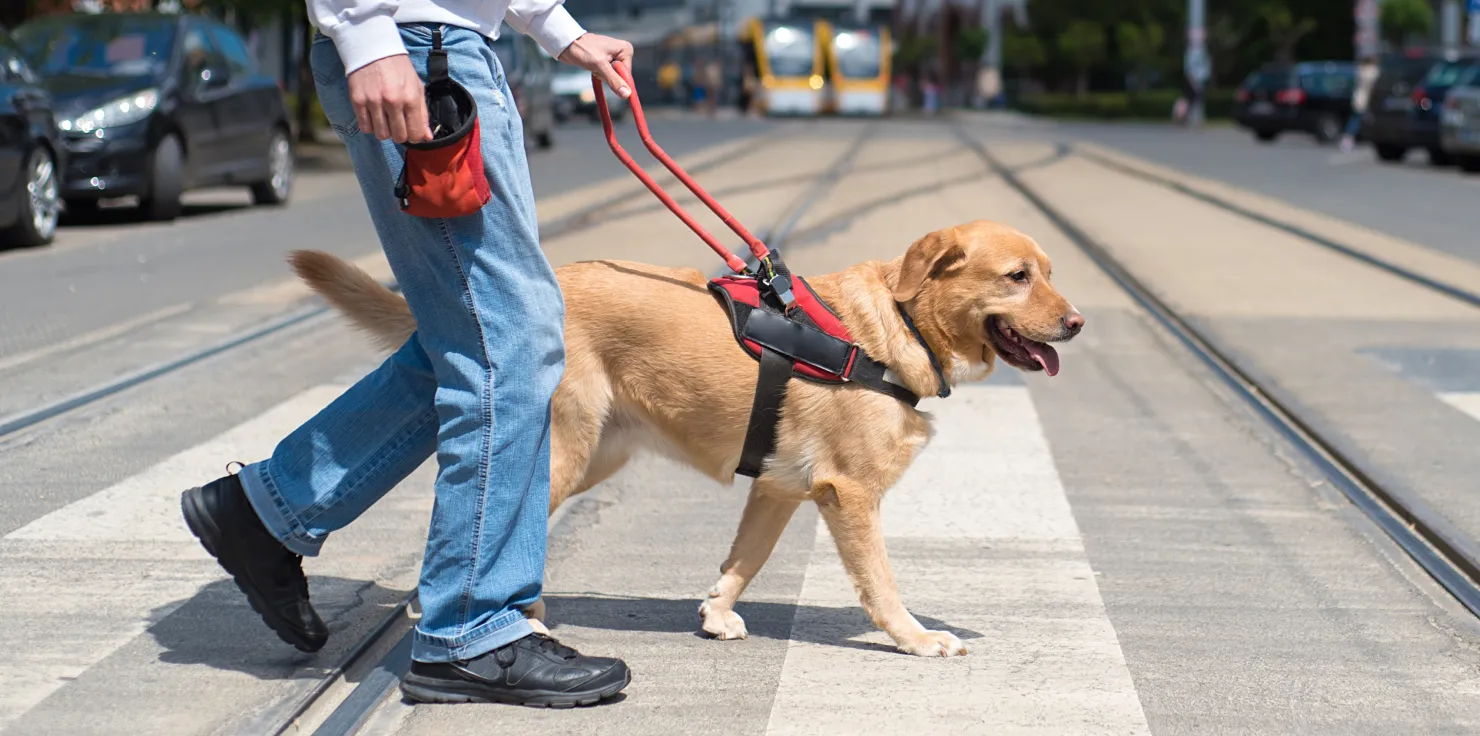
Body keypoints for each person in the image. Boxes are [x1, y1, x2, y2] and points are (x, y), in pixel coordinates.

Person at [177, 0, 637, 709]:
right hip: (419, 53)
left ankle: (268, 510)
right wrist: (364, 31)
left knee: (483, 337)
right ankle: (471, 630)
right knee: (510, 341)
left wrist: (555, 28)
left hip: (451, 50)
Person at [1342, 55, 1380, 153]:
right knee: (1357, 120)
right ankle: (1348, 139)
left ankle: (1350, 138)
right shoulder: (1370, 71)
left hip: (1359, 98)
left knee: (1359, 119)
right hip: (1364, 99)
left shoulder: (1360, 70)